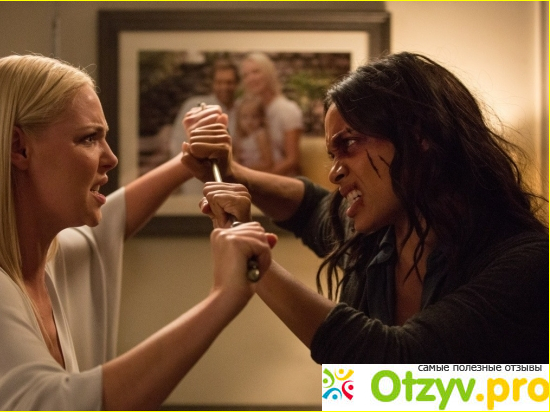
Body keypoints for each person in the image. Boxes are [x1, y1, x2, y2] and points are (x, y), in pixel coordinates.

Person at [0, 54, 277, 410]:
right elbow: (57, 404)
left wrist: (187, 162)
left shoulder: (42, 259)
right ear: (19, 148)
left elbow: (108, 225)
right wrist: (223, 297)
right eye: (89, 138)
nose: (111, 158)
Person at [181, 52, 549, 363]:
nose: (335, 172)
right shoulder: (377, 241)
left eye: (349, 144)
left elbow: (399, 366)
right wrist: (232, 172)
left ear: (419, 136)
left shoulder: (528, 264)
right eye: (332, 154)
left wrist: (254, 263)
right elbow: (310, 207)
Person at [169, 59, 239, 194]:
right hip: (196, 181)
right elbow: (177, 143)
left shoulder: (242, 111)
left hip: (232, 182)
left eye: (229, 82)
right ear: (213, 84)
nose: (224, 87)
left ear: (236, 84)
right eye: (219, 82)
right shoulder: (194, 105)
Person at [239, 52, 303, 176]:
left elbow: (292, 160)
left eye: (256, 72)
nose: (251, 78)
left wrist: (261, 180)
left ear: (268, 73)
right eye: (245, 75)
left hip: (284, 180)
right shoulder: (246, 110)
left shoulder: (288, 109)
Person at [232, 94, 274, 171]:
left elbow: (268, 163)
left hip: (259, 172)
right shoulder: (240, 137)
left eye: (254, 117)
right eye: (244, 117)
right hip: (244, 171)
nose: (249, 122)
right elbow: (237, 158)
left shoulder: (260, 135)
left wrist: (244, 169)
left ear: (261, 118)